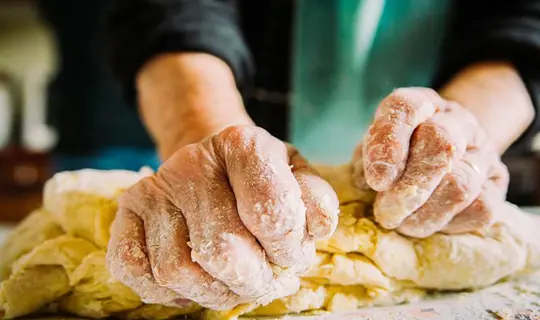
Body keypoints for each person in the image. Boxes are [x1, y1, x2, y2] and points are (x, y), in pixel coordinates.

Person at [105, 0, 540, 310]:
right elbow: (168, 9)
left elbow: (526, 20)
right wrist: (203, 136)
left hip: (471, 127)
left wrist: (458, 137)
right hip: (224, 108)